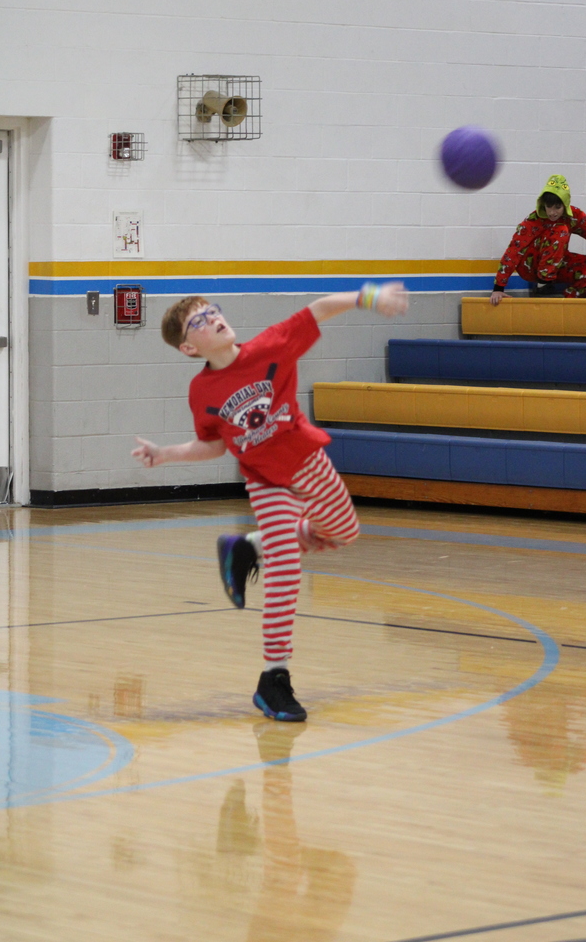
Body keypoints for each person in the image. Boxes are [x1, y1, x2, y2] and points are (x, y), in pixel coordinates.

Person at [132, 282, 409, 722]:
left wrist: (369, 297)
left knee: (343, 533)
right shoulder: (202, 392)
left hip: (306, 461)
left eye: (212, 310)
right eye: (199, 321)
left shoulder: (271, 346)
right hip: (266, 481)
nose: (213, 319)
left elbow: (317, 309)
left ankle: (249, 547)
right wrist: (165, 454)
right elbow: (214, 445)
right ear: (188, 347)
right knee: (287, 567)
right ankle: (273, 679)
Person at [489, 174, 586, 305]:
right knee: (560, 230)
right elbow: (513, 251)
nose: (552, 212)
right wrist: (498, 288)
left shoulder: (574, 216)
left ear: (565, 205)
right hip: (531, 266)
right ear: (543, 204)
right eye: (549, 206)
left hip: (558, 264)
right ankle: (543, 283)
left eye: (557, 207)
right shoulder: (533, 220)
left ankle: (568, 299)